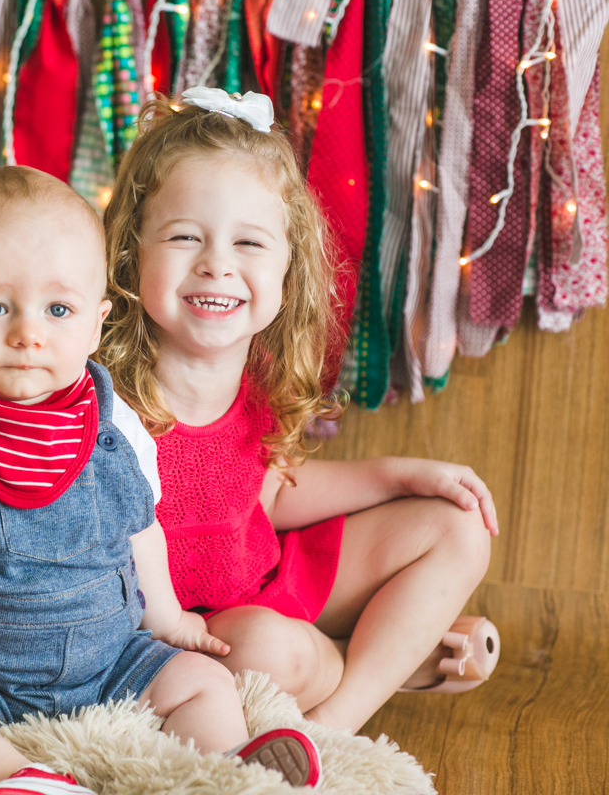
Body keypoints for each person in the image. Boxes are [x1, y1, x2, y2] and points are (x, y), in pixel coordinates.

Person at [0, 166, 322, 794]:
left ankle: (225, 769)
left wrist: (168, 618)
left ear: (96, 323)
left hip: (109, 657)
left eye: (58, 309)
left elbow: (141, 525)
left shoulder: (113, 420)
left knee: (202, 681)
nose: (28, 334)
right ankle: (19, 779)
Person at [95, 88, 500, 733]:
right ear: (131, 251)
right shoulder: (95, 389)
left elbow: (271, 495)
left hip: (262, 579)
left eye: (249, 243)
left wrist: (400, 476)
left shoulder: (256, 377)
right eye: (185, 236)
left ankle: (339, 717)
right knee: (269, 652)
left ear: (289, 268)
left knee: (459, 524)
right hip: (181, 639)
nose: (217, 264)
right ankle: (384, 657)